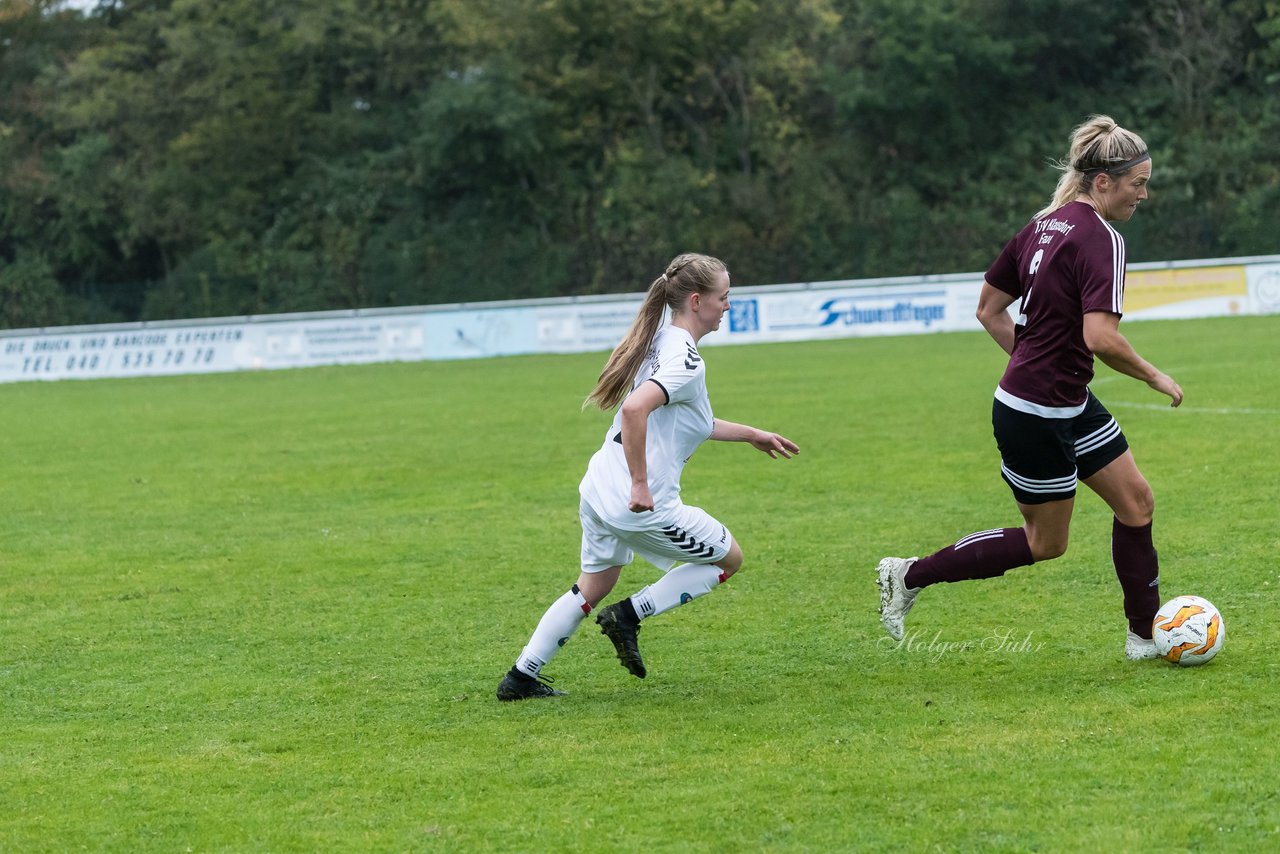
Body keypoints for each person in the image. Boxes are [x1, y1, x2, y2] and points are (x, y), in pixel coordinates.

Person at [876, 115, 1184, 660]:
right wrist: (1155, 375)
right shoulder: (1102, 238)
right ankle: (908, 575)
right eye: (1138, 183)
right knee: (1048, 543)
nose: (1145, 194)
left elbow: (987, 308)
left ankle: (1144, 639)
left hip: (1068, 400)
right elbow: (1101, 337)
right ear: (1104, 181)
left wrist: (1036, 359)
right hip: (1035, 412)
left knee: (1136, 503)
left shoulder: (1043, 225)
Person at [497, 253, 800, 700]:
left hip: (599, 484)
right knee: (727, 560)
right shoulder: (685, 360)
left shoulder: (659, 340)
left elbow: (695, 421)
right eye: (724, 298)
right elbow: (635, 408)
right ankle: (630, 616)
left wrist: (751, 433)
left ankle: (520, 678)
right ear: (697, 301)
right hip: (637, 500)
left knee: (593, 584)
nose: (728, 306)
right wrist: (641, 484)